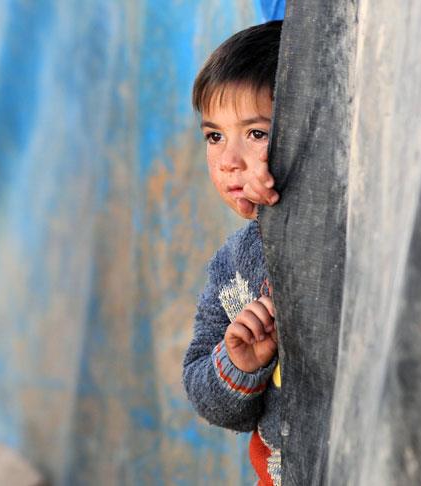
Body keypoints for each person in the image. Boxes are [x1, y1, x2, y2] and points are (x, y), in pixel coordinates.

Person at [181, 20, 283, 486]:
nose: (228, 160)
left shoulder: (357, 231)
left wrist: (303, 184)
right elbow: (201, 383)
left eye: (256, 134)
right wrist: (238, 362)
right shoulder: (233, 265)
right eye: (215, 136)